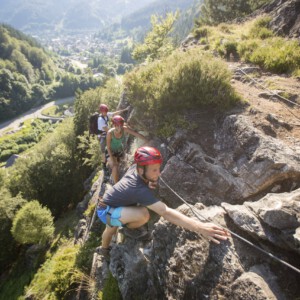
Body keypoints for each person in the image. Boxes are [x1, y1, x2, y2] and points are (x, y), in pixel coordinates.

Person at [97, 146, 230, 258]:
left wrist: (148, 183)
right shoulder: (137, 188)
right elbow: (164, 212)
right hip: (106, 210)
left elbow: (132, 183)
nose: (159, 173)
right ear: (141, 170)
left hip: (114, 203)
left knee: (113, 226)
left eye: (158, 168)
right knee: (139, 216)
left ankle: (111, 239)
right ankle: (109, 245)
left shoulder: (136, 168)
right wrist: (200, 227)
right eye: (154, 170)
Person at [106, 115, 148, 184]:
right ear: (113, 125)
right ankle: (116, 185)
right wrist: (112, 158)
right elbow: (108, 147)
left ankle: (113, 175)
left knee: (121, 164)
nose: (119, 128)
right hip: (110, 151)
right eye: (117, 125)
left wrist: (146, 139)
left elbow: (136, 134)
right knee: (115, 166)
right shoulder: (110, 133)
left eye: (120, 125)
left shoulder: (124, 129)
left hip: (119, 151)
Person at [98, 104, 129, 177]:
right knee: (104, 151)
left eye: (106, 111)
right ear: (102, 112)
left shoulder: (106, 114)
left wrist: (124, 110)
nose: (106, 112)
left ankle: (116, 156)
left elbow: (115, 113)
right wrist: (118, 130)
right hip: (102, 136)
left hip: (108, 134)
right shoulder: (100, 120)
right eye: (104, 111)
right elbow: (108, 130)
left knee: (113, 146)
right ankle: (104, 166)